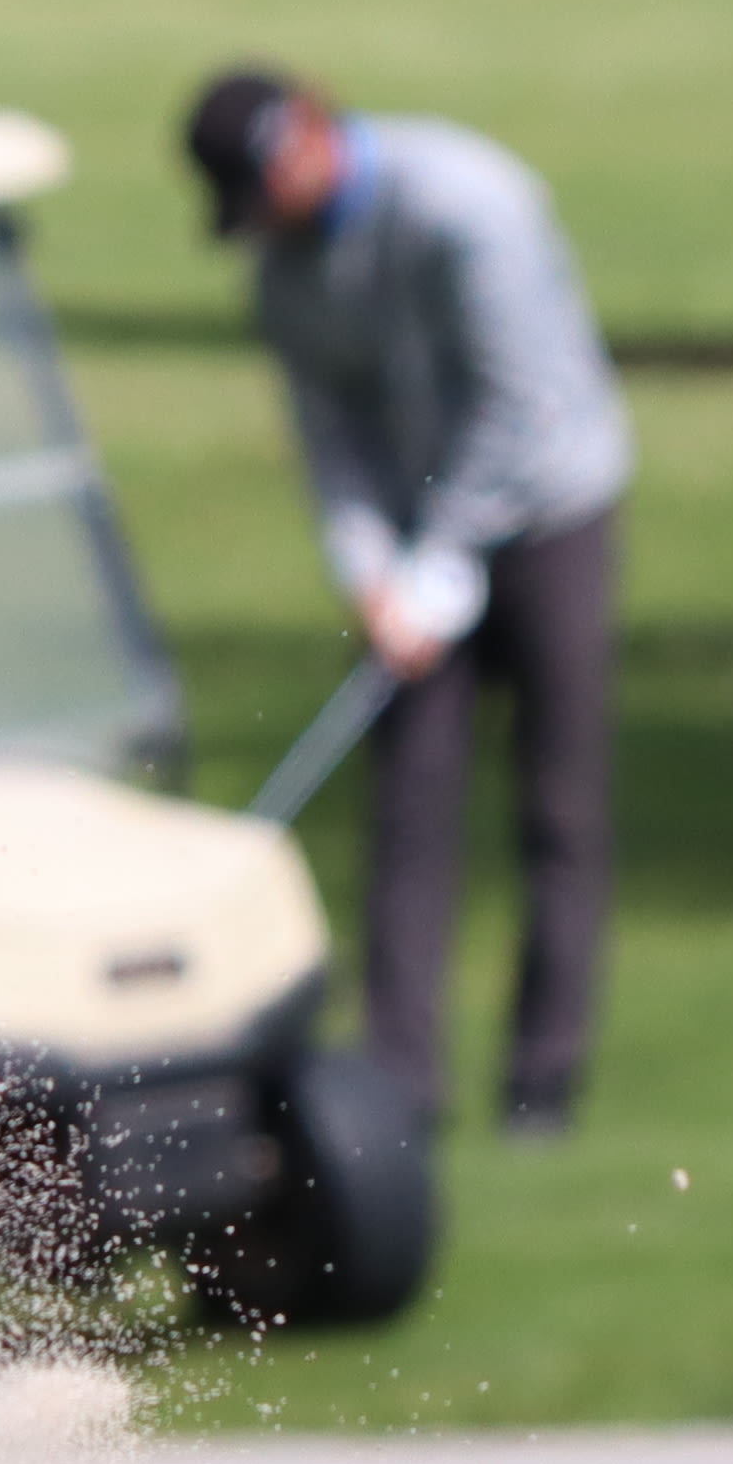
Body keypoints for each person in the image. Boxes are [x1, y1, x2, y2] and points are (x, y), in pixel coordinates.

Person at [185, 64, 635, 1137]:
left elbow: (520, 405)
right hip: (412, 538)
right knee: (409, 800)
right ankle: (400, 1084)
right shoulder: (283, 272)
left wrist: (443, 556)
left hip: (552, 512)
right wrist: (375, 573)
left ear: (303, 140)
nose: (260, 225)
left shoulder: (467, 204)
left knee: (560, 802)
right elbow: (327, 435)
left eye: (261, 195)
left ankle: (543, 1084)